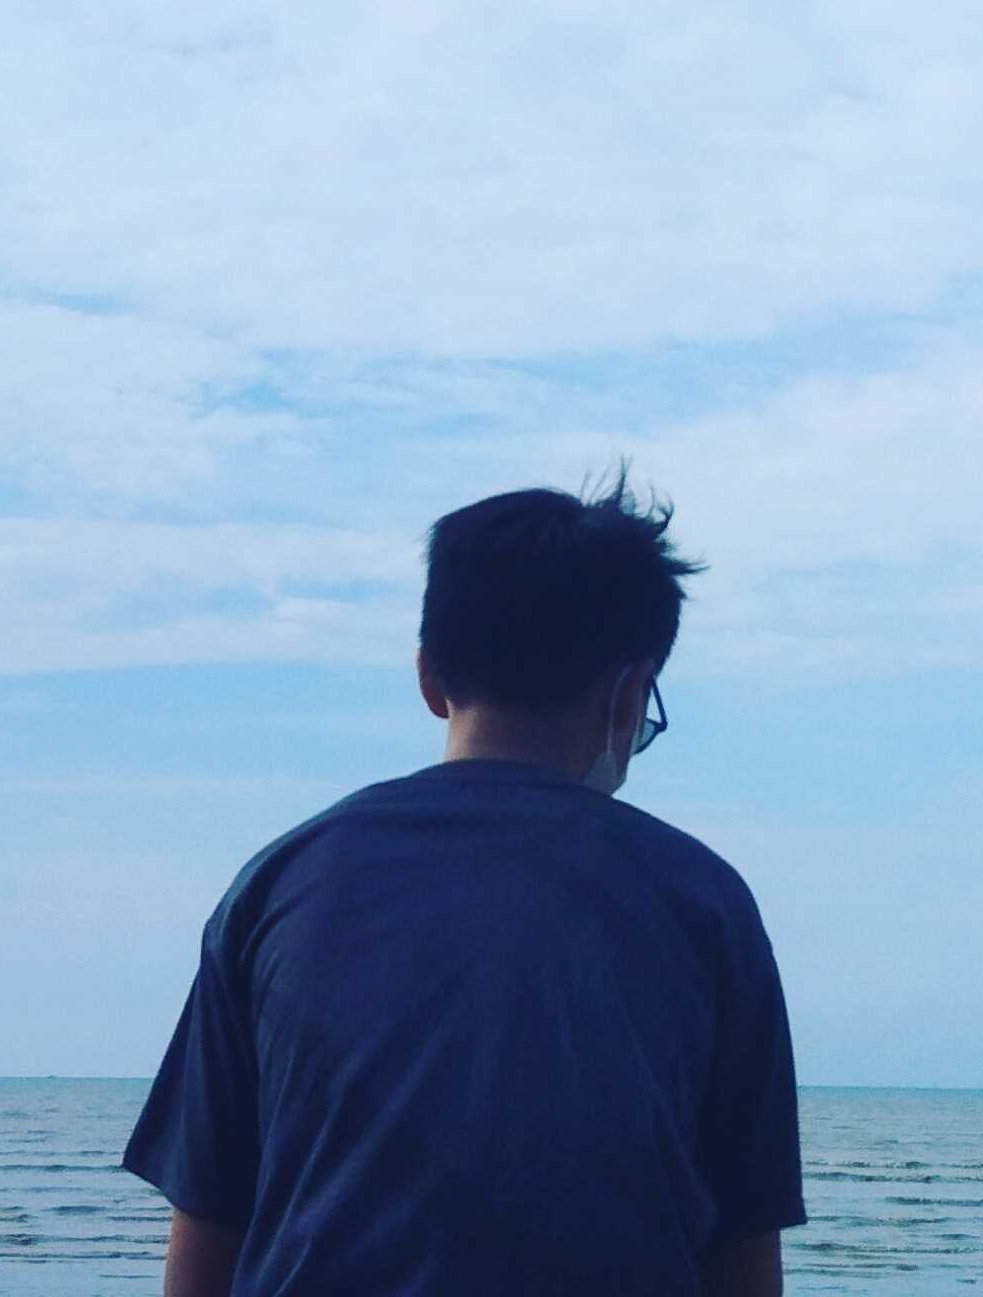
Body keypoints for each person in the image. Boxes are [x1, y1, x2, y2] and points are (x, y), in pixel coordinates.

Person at [122, 469, 807, 1296]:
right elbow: (743, 1263)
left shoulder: (280, 887)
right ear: (629, 697)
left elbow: (205, 1244)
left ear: (429, 678)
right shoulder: (704, 906)